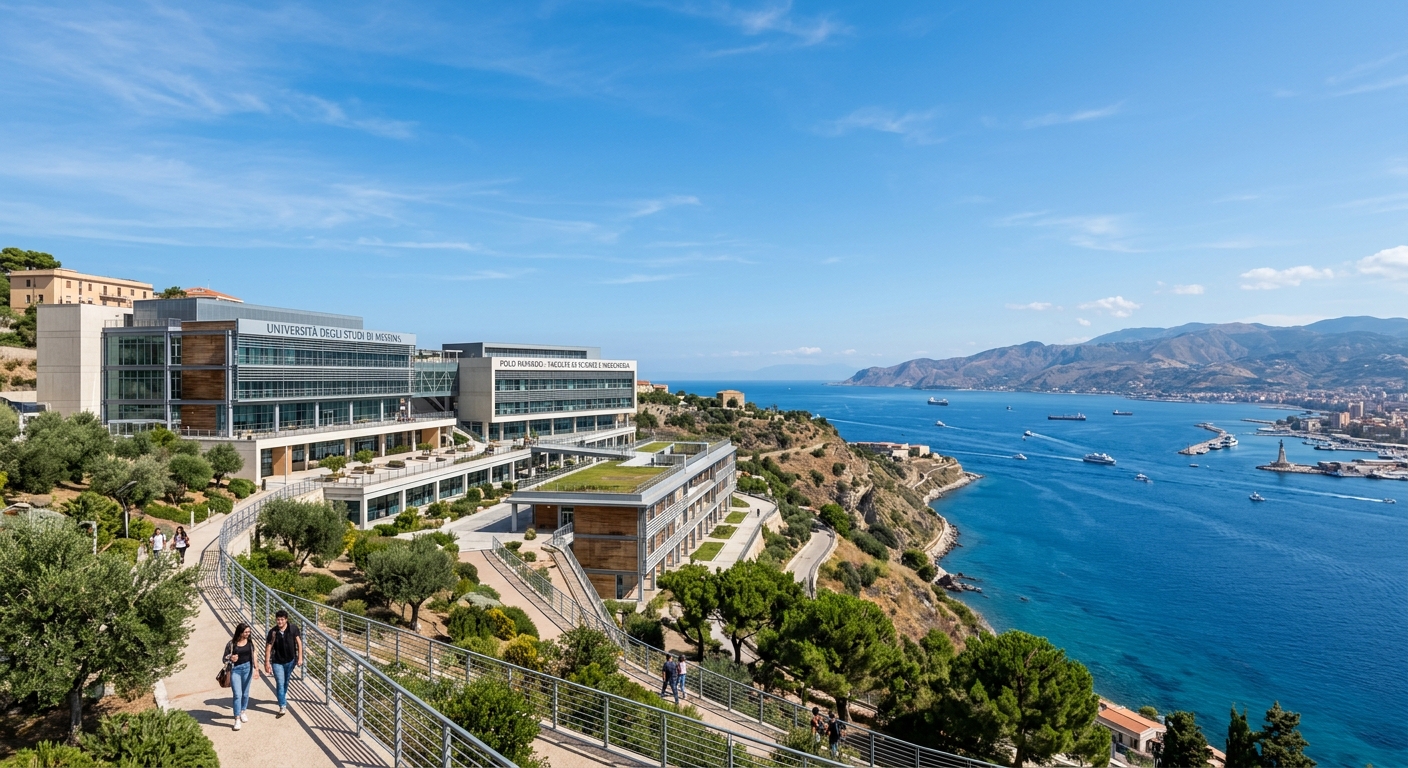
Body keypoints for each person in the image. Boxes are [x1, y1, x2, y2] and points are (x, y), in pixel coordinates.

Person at [264, 610, 303, 717]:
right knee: (280, 682)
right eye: (278, 619)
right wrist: (267, 662)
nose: (280, 622)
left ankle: (282, 695)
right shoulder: (273, 632)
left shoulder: (293, 628)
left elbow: (299, 643)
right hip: (277, 661)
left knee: (286, 681)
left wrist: (300, 657)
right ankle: (282, 705)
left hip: (290, 661)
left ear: (286, 619)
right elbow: (268, 647)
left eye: (282, 619)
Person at [226, 623, 255, 731]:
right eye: (246, 632)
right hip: (236, 670)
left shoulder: (250, 642)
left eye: (249, 632)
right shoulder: (231, 644)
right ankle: (237, 718)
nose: (248, 634)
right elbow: (224, 658)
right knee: (237, 694)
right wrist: (231, 658)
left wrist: (256, 668)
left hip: (248, 668)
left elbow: (253, 653)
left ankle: (243, 711)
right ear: (240, 632)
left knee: (245, 693)